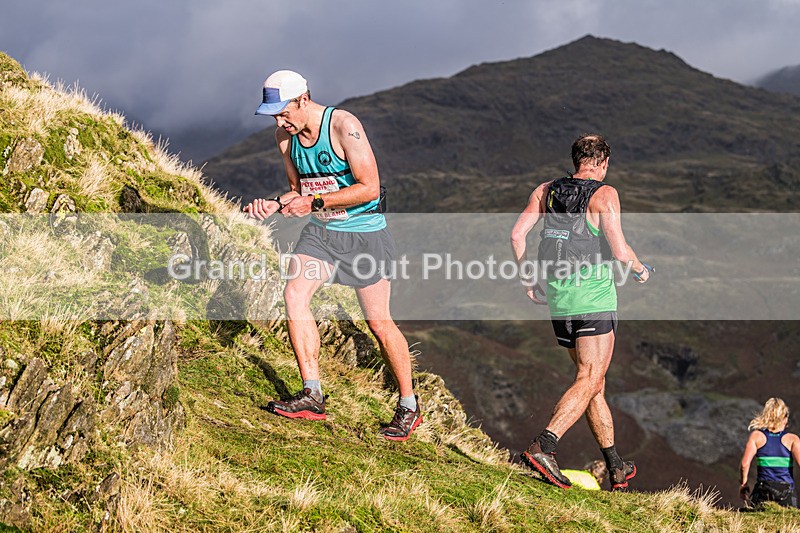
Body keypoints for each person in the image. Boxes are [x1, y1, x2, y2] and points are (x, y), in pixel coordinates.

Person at [243, 70, 422, 441]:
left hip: (364, 237)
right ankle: (312, 393)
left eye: (283, 112)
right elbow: (297, 190)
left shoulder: (343, 126)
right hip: (322, 235)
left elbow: (369, 189)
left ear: (303, 100)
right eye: (273, 115)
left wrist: (315, 201)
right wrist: (274, 204)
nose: (279, 122)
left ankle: (408, 404)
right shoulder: (284, 138)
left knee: (379, 323)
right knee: (294, 296)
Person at [510, 134, 650, 490]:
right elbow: (620, 252)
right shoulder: (605, 194)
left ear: (576, 161)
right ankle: (545, 445)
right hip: (593, 298)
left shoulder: (546, 190)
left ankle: (616, 466)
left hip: (559, 299)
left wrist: (528, 277)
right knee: (589, 377)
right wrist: (641, 269)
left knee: (593, 383)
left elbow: (517, 235)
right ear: (603, 163)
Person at [739, 397, 799, 508]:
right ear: (785, 419)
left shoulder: (757, 437)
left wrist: (743, 484)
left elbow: (744, 464)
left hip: (762, 493)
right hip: (787, 495)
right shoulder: (792, 439)